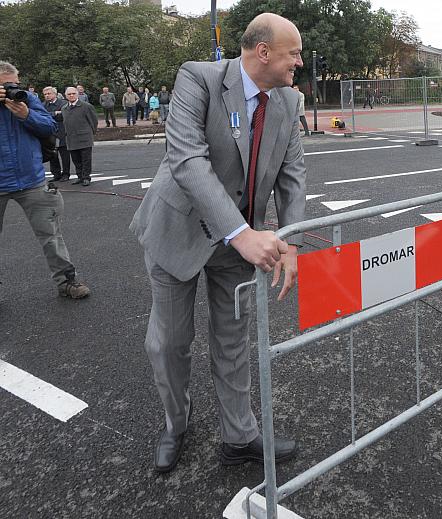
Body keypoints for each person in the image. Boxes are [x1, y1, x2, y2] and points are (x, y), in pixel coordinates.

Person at [129, 12, 306, 473]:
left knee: (232, 339)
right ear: (262, 52)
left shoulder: (289, 100)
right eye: (294, 53)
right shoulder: (198, 78)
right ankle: (177, 422)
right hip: (180, 229)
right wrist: (243, 233)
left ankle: (239, 435)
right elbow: (187, 160)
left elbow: (292, 177)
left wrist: (290, 241)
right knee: (169, 341)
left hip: (239, 239)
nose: (300, 63)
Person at [0, 62, 90, 299]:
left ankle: (67, 281)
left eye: (14, 84)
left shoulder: (27, 99)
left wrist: (26, 114)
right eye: (5, 85)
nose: (12, 88)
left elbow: (50, 126)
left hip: (31, 178)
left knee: (51, 234)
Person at [60, 86, 98, 186]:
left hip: (84, 138)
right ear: (65, 96)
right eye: (69, 94)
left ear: (77, 94)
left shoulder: (86, 106)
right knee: (76, 159)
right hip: (71, 139)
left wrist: (91, 132)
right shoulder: (64, 108)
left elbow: (94, 121)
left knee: (86, 159)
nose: (71, 95)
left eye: (73, 93)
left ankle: (86, 177)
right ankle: (80, 177)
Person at [42, 86, 71, 181]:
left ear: (55, 94)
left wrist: (50, 114)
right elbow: (41, 116)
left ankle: (66, 174)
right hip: (50, 134)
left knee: (64, 155)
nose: (47, 96)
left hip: (63, 132)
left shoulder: (63, 103)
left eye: (49, 93)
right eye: (45, 94)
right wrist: (54, 113)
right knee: (52, 155)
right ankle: (56, 174)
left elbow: (64, 115)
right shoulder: (43, 105)